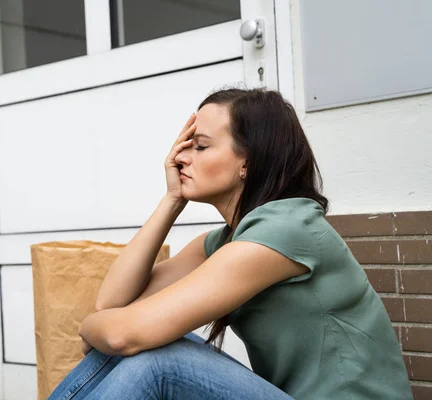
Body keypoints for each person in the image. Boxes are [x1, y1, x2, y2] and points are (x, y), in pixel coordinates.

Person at [47, 88, 413, 399]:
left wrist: (90, 327)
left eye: (201, 146)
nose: (180, 157)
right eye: (186, 145)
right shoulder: (226, 241)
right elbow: (112, 304)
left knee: (158, 357)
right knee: (146, 343)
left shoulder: (286, 230)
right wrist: (172, 200)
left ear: (248, 164)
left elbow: (122, 332)